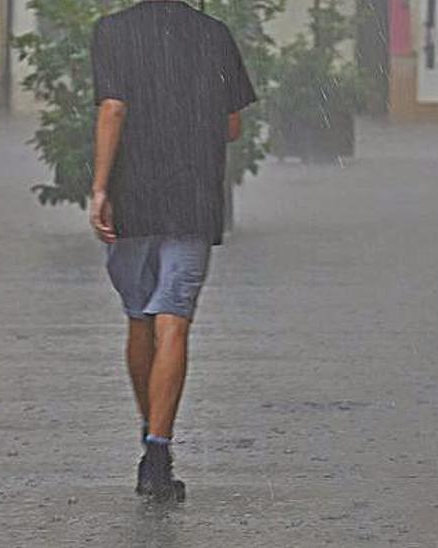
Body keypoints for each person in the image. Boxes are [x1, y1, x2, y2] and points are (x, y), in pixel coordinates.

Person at [89, 0, 257, 502]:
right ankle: (158, 453)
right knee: (174, 320)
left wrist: (100, 189)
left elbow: (113, 108)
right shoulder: (214, 33)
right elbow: (232, 126)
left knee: (140, 318)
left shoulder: (113, 31)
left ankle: (149, 433)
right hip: (192, 196)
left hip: (132, 196)